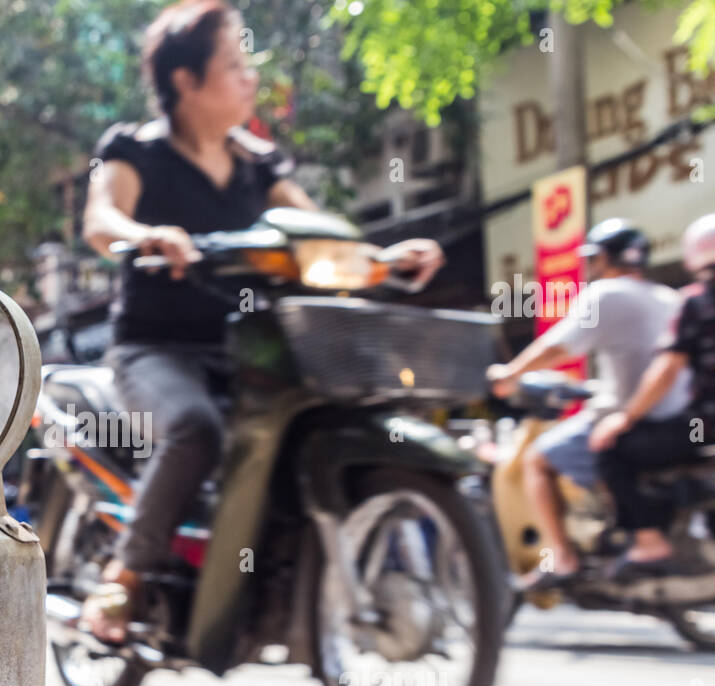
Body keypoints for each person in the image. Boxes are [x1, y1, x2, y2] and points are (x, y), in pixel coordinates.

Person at [78, 0, 444, 643]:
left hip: (254, 347)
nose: (250, 78)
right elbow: (101, 221)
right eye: (234, 64)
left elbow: (320, 237)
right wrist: (147, 236)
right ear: (185, 81)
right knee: (195, 429)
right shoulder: (135, 149)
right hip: (157, 348)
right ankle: (125, 577)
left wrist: (383, 258)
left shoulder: (259, 165)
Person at [486, 218, 689, 590]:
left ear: (603, 258)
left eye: (592, 259)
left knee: (538, 460)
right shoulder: (668, 297)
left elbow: (557, 347)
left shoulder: (606, 294)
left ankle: (562, 557)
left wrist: (510, 373)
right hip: (678, 420)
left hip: (633, 420)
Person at [588, 212, 715, 577]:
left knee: (612, 450)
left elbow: (667, 369)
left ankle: (648, 542)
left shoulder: (695, 303)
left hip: (706, 428)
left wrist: (623, 419)